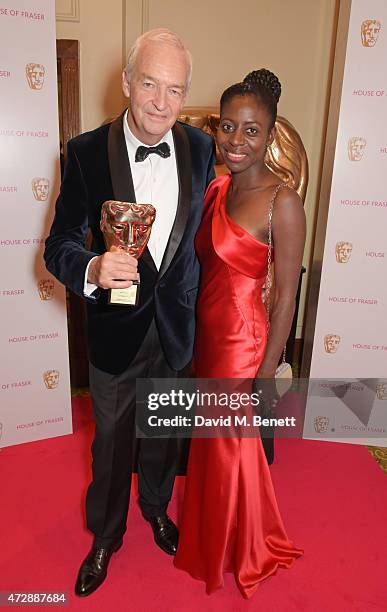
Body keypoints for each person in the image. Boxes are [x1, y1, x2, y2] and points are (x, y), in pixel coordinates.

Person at [44, 28, 215, 597]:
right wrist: (92, 269)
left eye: (175, 88)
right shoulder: (86, 152)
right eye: (149, 83)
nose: (161, 102)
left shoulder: (202, 148)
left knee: (164, 434)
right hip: (116, 328)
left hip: (176, 328)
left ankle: (158, 509)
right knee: (112, 445)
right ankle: (105, 536)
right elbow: (58, 246)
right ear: (125, 82)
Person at [174, 69, 305, 598]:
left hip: (243, 346)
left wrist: (268, 370)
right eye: (228, 127)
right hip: (207, 338)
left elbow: (286, 297)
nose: (236, 140)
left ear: (270, 136)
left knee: (230, 448)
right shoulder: (217, 189)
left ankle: (242, 548)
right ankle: (217, 538)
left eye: (251, 131)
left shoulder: (283, 202)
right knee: (213, 445)